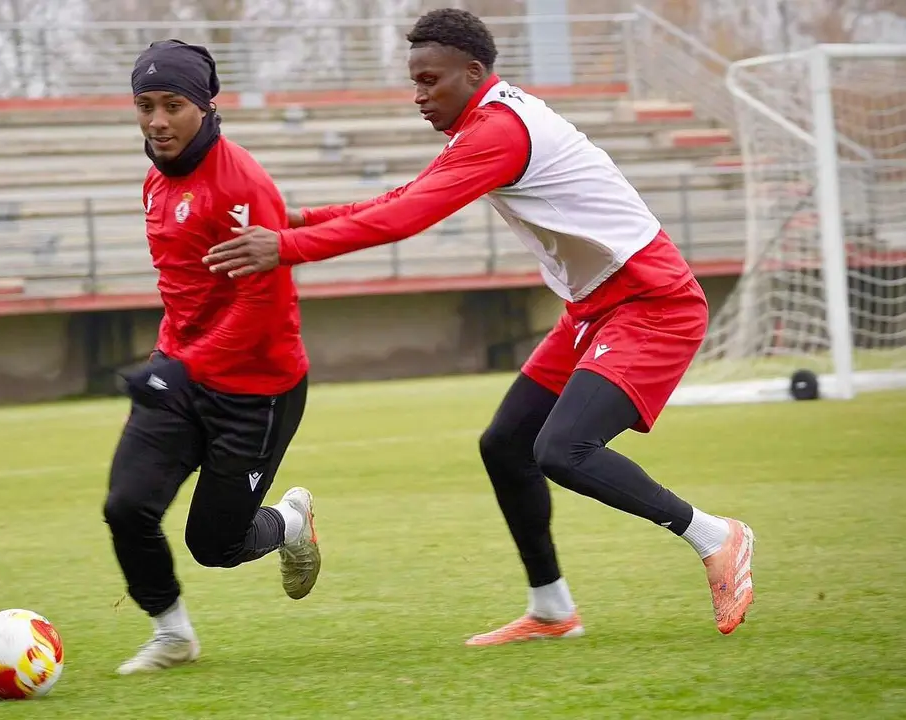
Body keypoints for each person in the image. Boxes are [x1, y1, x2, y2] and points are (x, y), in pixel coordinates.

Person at [202, 8, 755, 644]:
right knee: (505, 446)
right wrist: (297, 219)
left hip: (652, 304)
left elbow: (407, 218)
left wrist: (287, 248)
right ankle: (552, 610)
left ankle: (716, 535)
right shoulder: (487, 122)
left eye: (429, 80)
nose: (419, 96)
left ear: (473, 72)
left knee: (561, 451)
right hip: (595, 307)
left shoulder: (498, 131)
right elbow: (398, 199)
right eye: (413, 82)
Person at [104, 39, 321, 674]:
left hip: (258, 388)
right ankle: (172, 635)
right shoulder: (154, 177)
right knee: (127, 507)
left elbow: (261, 307)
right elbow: (185, 290)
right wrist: (172, 360)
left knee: (215, 546)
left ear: (205, 105)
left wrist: (182, 367)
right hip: (182, 375)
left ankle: (289, 523)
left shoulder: (243, 184)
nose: (157, 121)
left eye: (173, 105)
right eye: (145, 105)